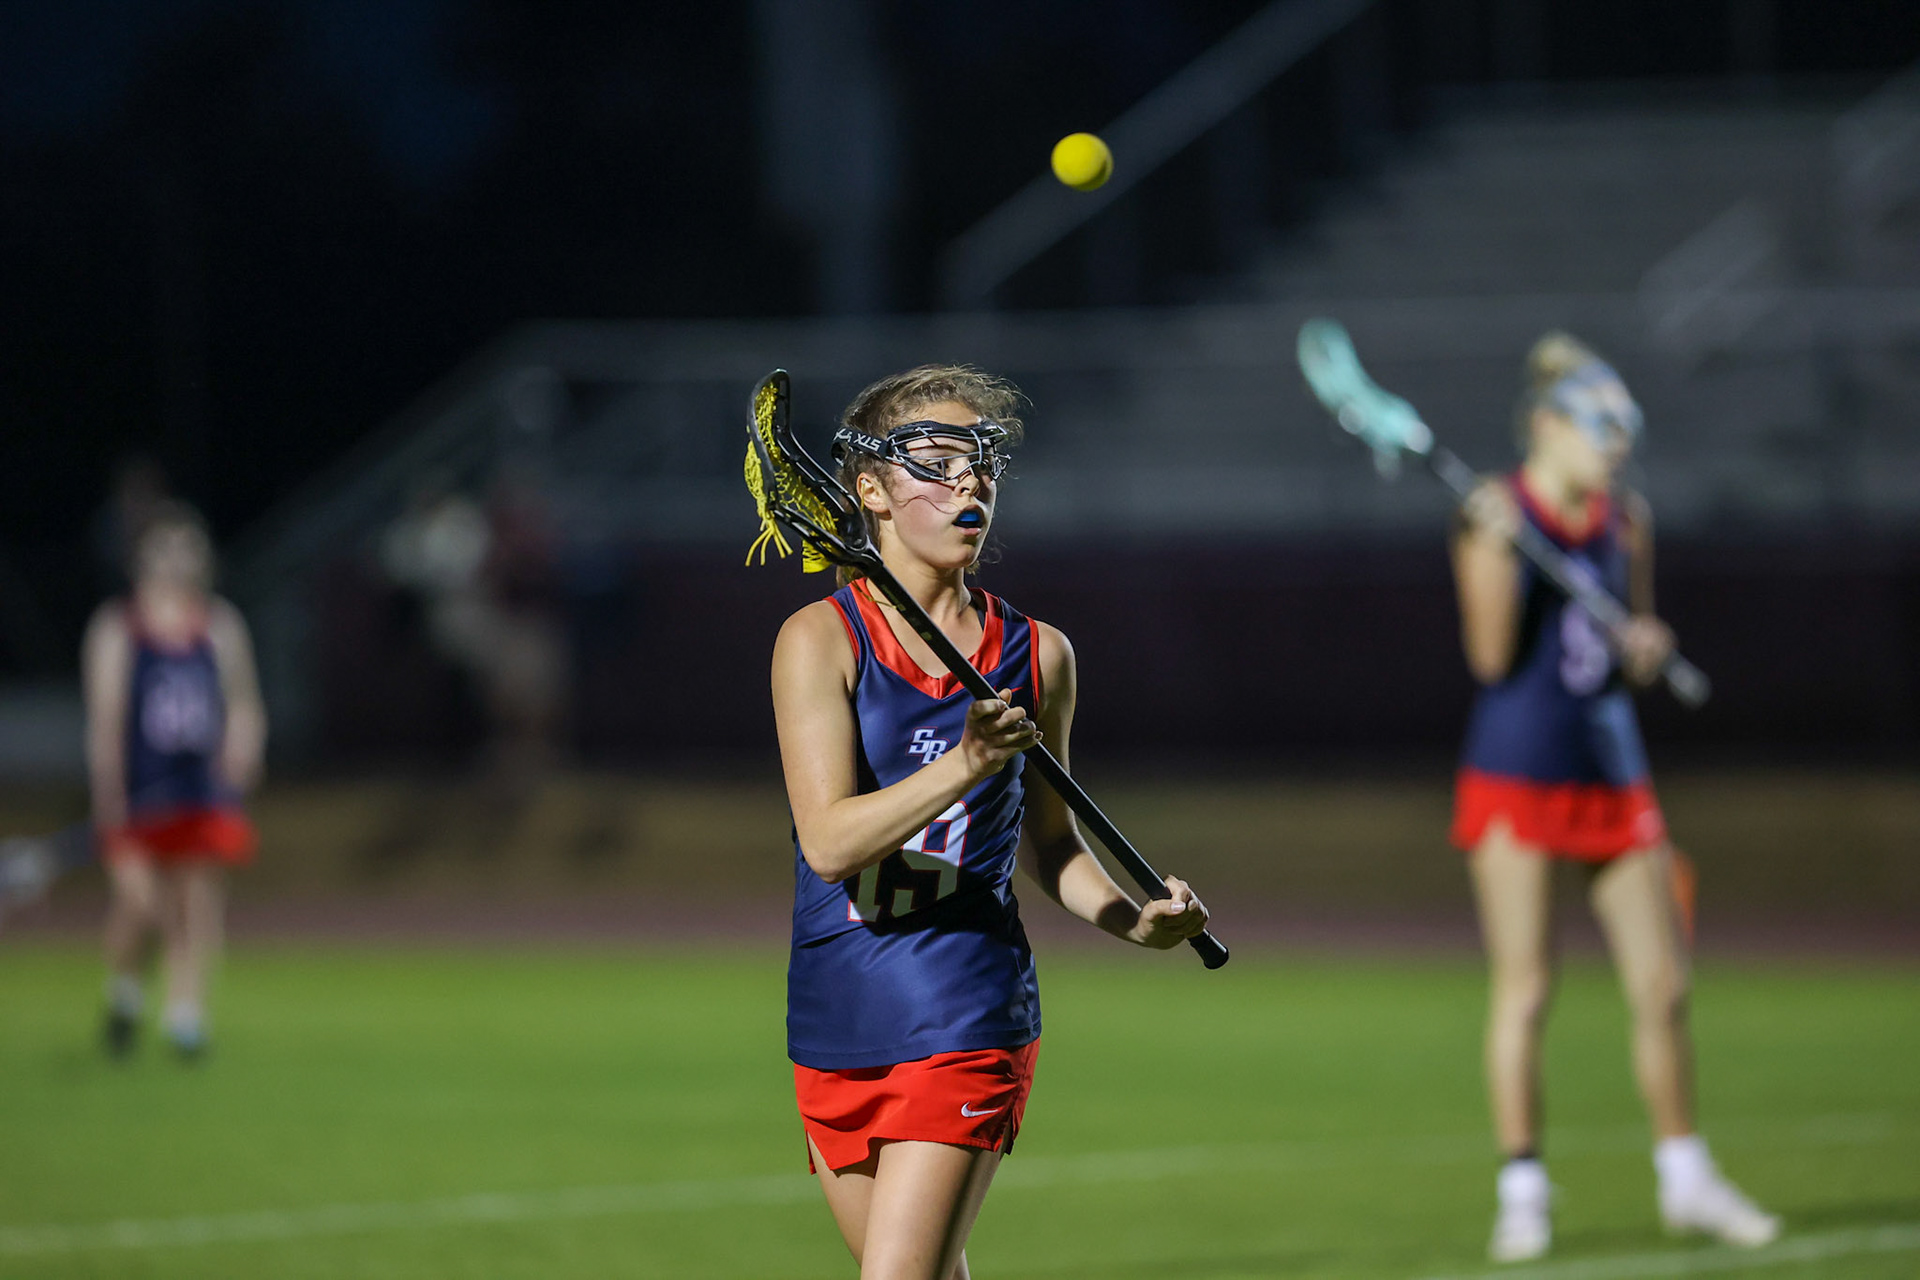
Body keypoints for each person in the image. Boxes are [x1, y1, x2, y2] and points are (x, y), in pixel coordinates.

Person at [770, 365, 1209, 1280]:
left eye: (980, 462)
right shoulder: (819, 640)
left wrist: (1134, 922)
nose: (967, 481)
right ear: (871, 491)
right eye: (936, 462)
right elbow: (830, 843)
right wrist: (965, 762)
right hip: (834, 1008)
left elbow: (1052, 845)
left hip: (964, 1005)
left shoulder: (1039, 655)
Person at [1449, 334, 1778, 1261]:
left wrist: (1643, 647)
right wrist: (1504, 554)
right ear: (1547, 427)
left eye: (1625, 425)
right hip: (1517, 770)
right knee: (1526, 991)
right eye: (1602, 425)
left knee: (1664, 986)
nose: (1618, 442)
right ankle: (1523, 1192)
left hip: (1611, 769)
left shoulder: (1625, 519)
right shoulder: (1492, 514)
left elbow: (1616, 652)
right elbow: (1491, 659)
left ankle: (1686, 1178)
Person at [84, 502, 266, 1059]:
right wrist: (109, 793)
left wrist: (242, 749)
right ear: (141, 559)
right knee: (139, 904)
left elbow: (243, 703)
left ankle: (187, 1013)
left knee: (196, 900)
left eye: (188, 548)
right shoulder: (119, 628)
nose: (177, 561)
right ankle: (126, 991)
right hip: (142, 789)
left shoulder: (219, 624)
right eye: (165, 549)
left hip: (199, 790)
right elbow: (107, 719)